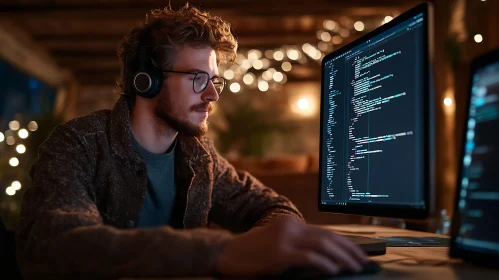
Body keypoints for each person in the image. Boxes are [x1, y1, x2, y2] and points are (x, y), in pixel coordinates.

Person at [16, 3, 368, 279]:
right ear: (147, 81)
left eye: (214, 79)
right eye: (198, 79)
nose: (213, 94)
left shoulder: (200, 156)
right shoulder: (78, 143)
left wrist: (261, 244)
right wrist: (220, 252)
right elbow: (58, 242)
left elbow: (275, 208)